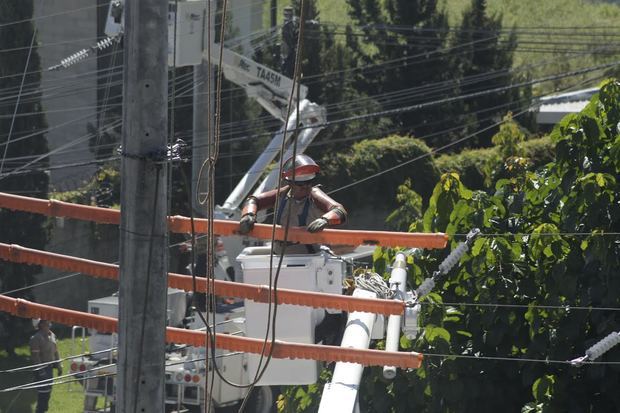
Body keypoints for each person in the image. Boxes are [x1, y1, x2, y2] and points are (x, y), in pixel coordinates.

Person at [238, 154, 347, 254]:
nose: (306, 186)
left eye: (309, 182)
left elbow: (339, 211)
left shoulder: (314, 195)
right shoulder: (282, 194)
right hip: (280, 256)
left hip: (309, 258)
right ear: (290, 183)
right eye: (301, 183)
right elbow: (253, 200)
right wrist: (248, 215)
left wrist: (325, 219)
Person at [29, 319, 61, 413]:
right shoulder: (36, 338)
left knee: (48, 392)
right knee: (43, 393)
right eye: (45, 321)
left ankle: (43, 410)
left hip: (50, 368)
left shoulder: (52, 335)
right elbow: (36, 357)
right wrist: (41, 371)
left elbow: (56, 351)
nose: (48, 322)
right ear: (41, 324)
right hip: (42, 369)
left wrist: (59, 365)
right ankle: (40, 411)